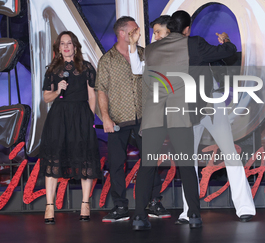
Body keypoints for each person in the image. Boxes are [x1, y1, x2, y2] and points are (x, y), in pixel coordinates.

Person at [130, 14, 256, 224]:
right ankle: (207, 211)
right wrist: (226, 41)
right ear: (186, 29)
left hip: (197, 106)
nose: (156, 37)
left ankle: (202, 211)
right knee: (204, 158)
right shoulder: (187, 45)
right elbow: (227, 51)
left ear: (170, 31)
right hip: (196, 107)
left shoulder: (175, 47)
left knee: (202, 158)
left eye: (158, 32)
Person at [96, 16, 171, 223]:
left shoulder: (143, 54)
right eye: (134, 30)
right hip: (118, 119)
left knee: (149, 161)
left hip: (144, 118)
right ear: (122, 34)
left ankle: (153, 201)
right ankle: (120, 206)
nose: (138, 33)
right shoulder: (107, 60)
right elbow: (101, 90)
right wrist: (105, 117)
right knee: (117, 164)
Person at [39, 31, 101, 224]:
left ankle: (85, 204)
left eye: (69, 43)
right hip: (59, 117)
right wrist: (58, 91)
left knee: (84, 159)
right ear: (58, 48)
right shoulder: (52, 70)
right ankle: (50, 206)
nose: (66, 47)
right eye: (62, 44)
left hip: (81, 115)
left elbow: (92, 96)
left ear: (75, 46)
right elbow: (46, 97)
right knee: (54, 159)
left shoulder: (87, 67)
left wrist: (90, 118)